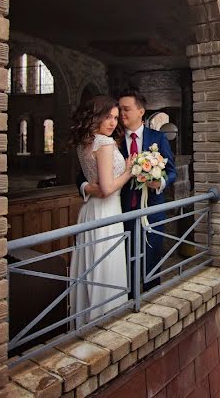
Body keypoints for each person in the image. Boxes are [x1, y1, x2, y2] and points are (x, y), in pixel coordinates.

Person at [79, 89, 177, 293]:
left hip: (152, 212)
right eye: (117, 111)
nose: (121, 115)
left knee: (152, 264)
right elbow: (84, 173)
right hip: (120, 212)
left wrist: (160, 183)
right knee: (123, 265)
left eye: (126, 109)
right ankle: (129, 302)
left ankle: (151, 303)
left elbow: (172, 172)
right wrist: (87, 188)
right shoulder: (112, 139)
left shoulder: (158, 138)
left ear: (141, 111)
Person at [68, 95, 137, 327]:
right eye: (107, 116)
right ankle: (105, 319)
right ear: (95, 116)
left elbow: (97, 183)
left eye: (116, 118)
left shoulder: (84, 142)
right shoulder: (105, 144)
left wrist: (89, 187)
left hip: (90, 211)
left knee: (92, 265)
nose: (113, 122)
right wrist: (129, 170)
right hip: (106, 212)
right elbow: (107, 189)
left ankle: (88, 318)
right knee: (105, 265)